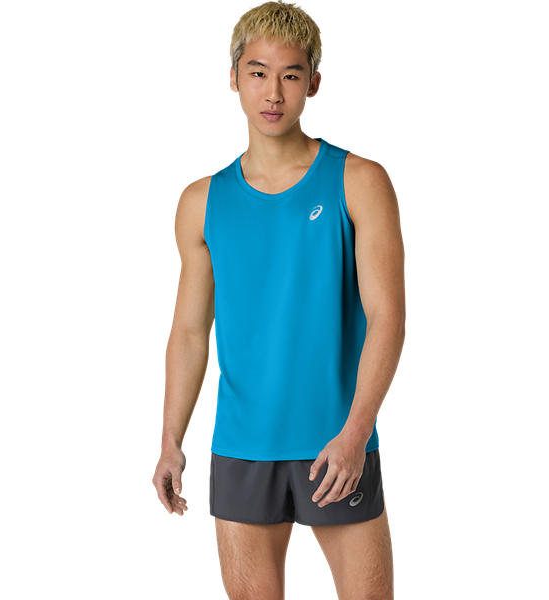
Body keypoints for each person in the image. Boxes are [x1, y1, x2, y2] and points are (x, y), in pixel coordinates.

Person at [152, 2, 405, 598]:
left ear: (313, 82)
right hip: (242, 445)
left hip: (337, 442)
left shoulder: (359, 181)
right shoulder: (201, 202)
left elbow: (387, 318)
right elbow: (189, 332)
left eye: (290, 74)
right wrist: (170, 439)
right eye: (258, 72)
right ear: (233, 77)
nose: (273, 92)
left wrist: (356, 434)